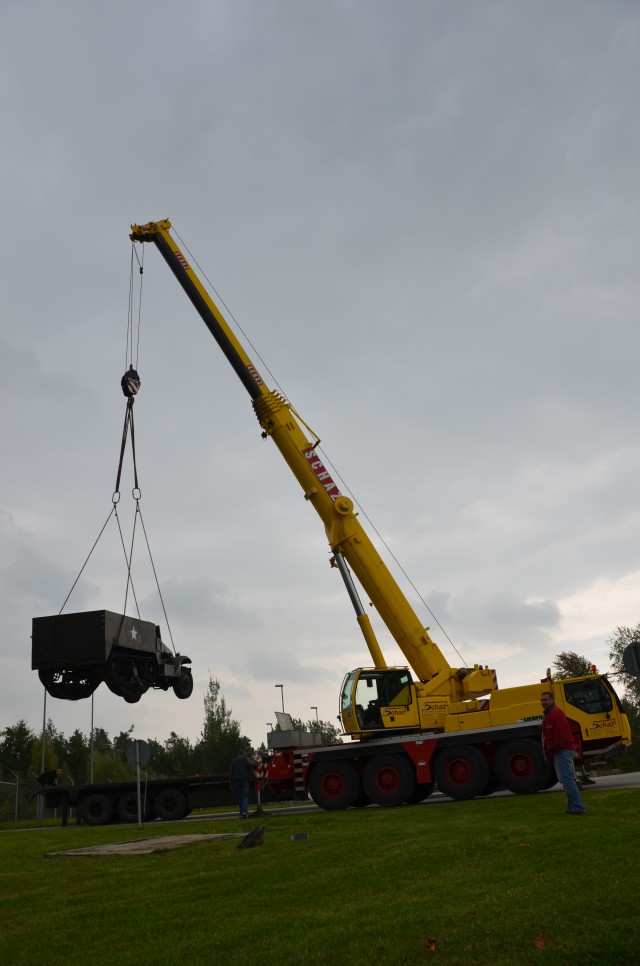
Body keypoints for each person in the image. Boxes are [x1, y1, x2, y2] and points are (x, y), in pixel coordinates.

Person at [539, 691, 585, 815]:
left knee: (567, 779)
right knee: (566, 779)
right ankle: (573, 807)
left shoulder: (555, 713)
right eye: (542, 700)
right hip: (561, 750)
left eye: (545, 700)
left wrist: (553, 749)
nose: (543, 702)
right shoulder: (549, 714)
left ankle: (577, 807)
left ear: (552, 700)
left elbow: (561, 734)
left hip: (562, 750)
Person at [230, 750, 252, 819]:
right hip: (244, 779)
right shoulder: (246, 759)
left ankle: (241, 813)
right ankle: (244, 812)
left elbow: (231, 772)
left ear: (238, 754)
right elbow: (252, 764)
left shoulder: (234, 761)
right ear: (244, 754)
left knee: (239, 797)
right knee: (245, 796)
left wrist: (231, 783)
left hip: (236, 781)